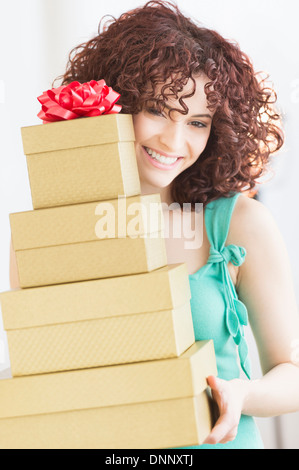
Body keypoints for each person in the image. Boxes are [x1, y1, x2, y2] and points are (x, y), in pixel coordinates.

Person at [10, 0, 299, 449]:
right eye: (159, 110)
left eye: (197, 122)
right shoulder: (53, 232)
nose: (174, 140)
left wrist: (243, 392)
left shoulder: (237, 225)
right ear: (118, 102)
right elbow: (45, 367)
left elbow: (292, 375)